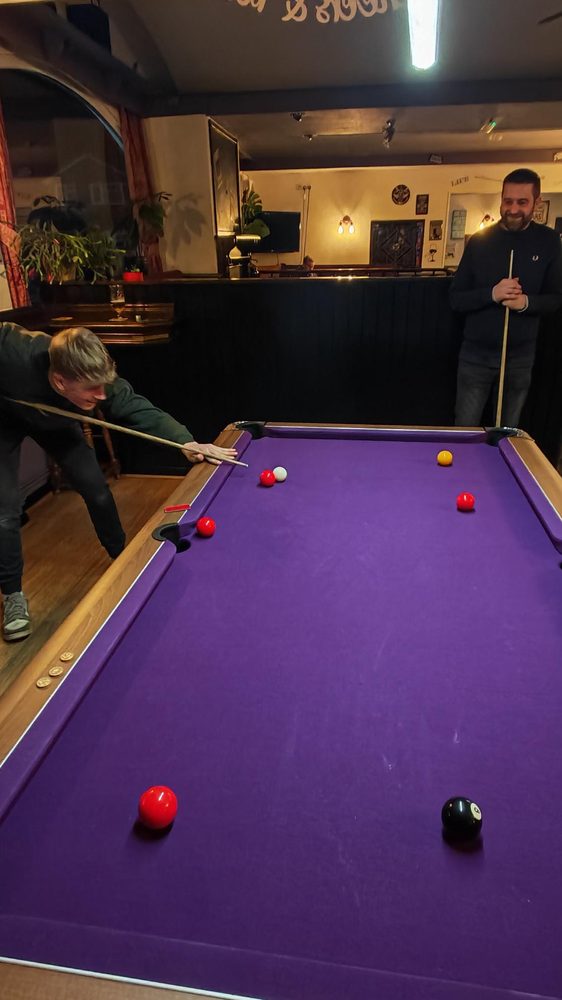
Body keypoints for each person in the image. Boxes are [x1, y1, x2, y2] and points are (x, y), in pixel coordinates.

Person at [0, 324, 237, 641]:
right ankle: (13, 595)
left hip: (57, 421)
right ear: (59, 380)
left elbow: (135, 406)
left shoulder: (93, 380)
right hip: (5, 420)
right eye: (92, 390)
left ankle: (121, 560)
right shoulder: (11, 352)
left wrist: (186, 442)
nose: (101, 396)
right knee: (4, 513)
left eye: (103, 387)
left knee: (96, 490)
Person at [450, 168, 562, 427]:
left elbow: (556, 298)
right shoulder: (479, 241)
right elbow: (456, 299)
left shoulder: (549, 241)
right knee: (465, 429)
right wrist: (492, 294)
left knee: (508, 432)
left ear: (537, 202)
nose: (513, 209)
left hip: (520, 357)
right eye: (507, 201)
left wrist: (526, 303)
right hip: (475, 355)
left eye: (522, 202)